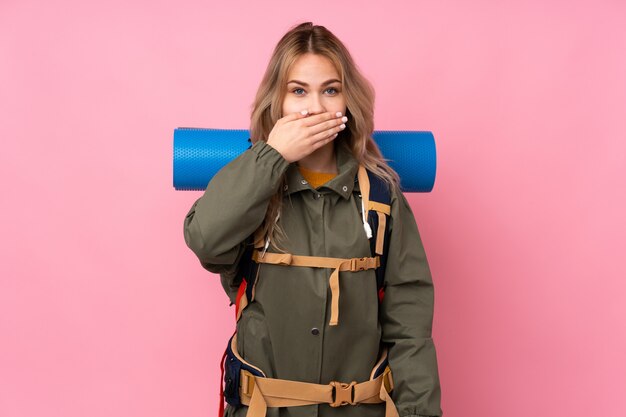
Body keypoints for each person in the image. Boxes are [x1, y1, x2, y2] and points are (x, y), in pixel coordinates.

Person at [183, 22, 443, 417]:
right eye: (298, 91)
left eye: (330, 90)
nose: (315, 107)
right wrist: (272, 156)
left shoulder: (381, 199)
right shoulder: (251, 183)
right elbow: (205, 239)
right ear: (278, 101)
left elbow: (410, 331)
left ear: (347, 101)